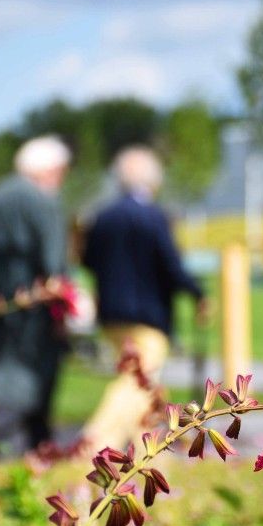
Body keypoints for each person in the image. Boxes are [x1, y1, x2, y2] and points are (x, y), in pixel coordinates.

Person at [81, 147, 207, 450]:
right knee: (138, 381)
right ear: (153, 181)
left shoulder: (103, 217)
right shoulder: (153, 217)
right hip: (148, 316)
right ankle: (93, 446)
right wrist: (198, 293)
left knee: (137, 381)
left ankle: (146, 451)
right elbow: (171, 265)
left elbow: (88, 260)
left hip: (111, 315)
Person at [0, 136, 71, 453]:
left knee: (2, 371)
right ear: (50, 170)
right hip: (34, 310)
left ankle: (6, 445)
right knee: (30, 378)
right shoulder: (42, 202)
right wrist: (63, 309)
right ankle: (27, 449)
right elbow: (54, 266)